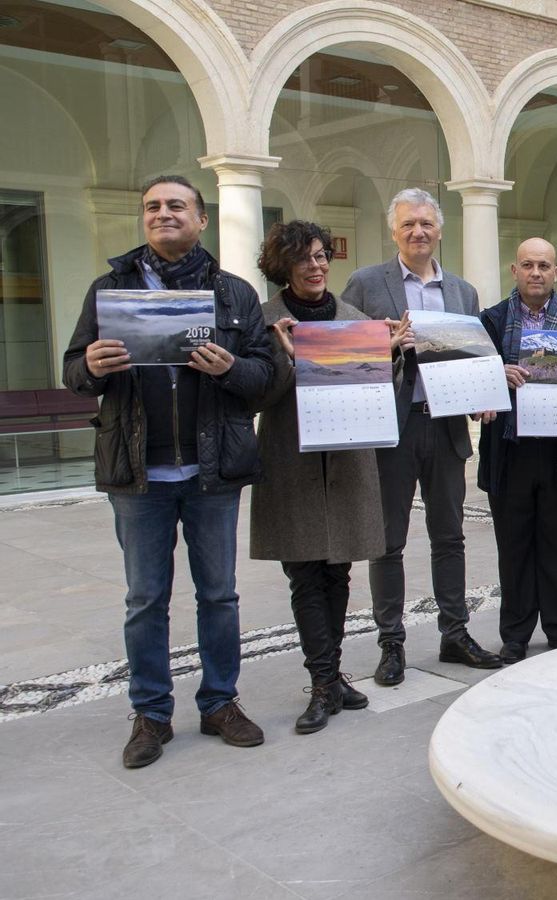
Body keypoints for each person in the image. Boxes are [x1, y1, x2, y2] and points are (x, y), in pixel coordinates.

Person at [62, 174, 273, 768]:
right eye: (152, 206)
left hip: (211, 472)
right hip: (139, 472)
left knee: (219, 595)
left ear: (201, 219)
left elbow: (262, 379)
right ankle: (151, 714)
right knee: (146, 598)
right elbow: (74, 371)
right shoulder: (110, 288)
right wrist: (93, 365)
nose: (163, 214)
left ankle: (219, 703)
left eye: (176, 205)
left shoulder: (234, 294)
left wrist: (231, 367)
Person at [343, 187, 502, 684]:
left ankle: (454, 633)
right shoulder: (366, 284)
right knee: (387, 541)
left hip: (446, 425)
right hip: (392, 426)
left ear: (440, 230)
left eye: (426, 224)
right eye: (409, 224)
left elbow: (473, 356)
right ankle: (391, 644)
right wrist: (386, 344)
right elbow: (343, 355)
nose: (418, 232)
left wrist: (483, 393)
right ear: (394, 230)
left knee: (449, 536)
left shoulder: (462, 292)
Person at [250, 220, 396, 733]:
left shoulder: (354, 318)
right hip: (293, 463)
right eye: (303, 258)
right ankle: (322, 682)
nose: (315, 266)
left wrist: (391, 354)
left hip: (349, 460)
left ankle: (331, 677)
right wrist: (290, 361)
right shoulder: (265, 320)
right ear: (282, 266)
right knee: (305, 573)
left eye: (320, 256)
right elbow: (254, 396)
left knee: (338, 572)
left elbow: (378, 393)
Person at [479, 238, 557, 661]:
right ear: (514, 271)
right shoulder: (490, 322)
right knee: (515, 545)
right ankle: (516, 633)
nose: (536, 272)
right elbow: (474, 381)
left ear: (556, 272)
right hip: (509, 450)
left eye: (544, 265)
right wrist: (494, 375)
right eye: (528, 265)